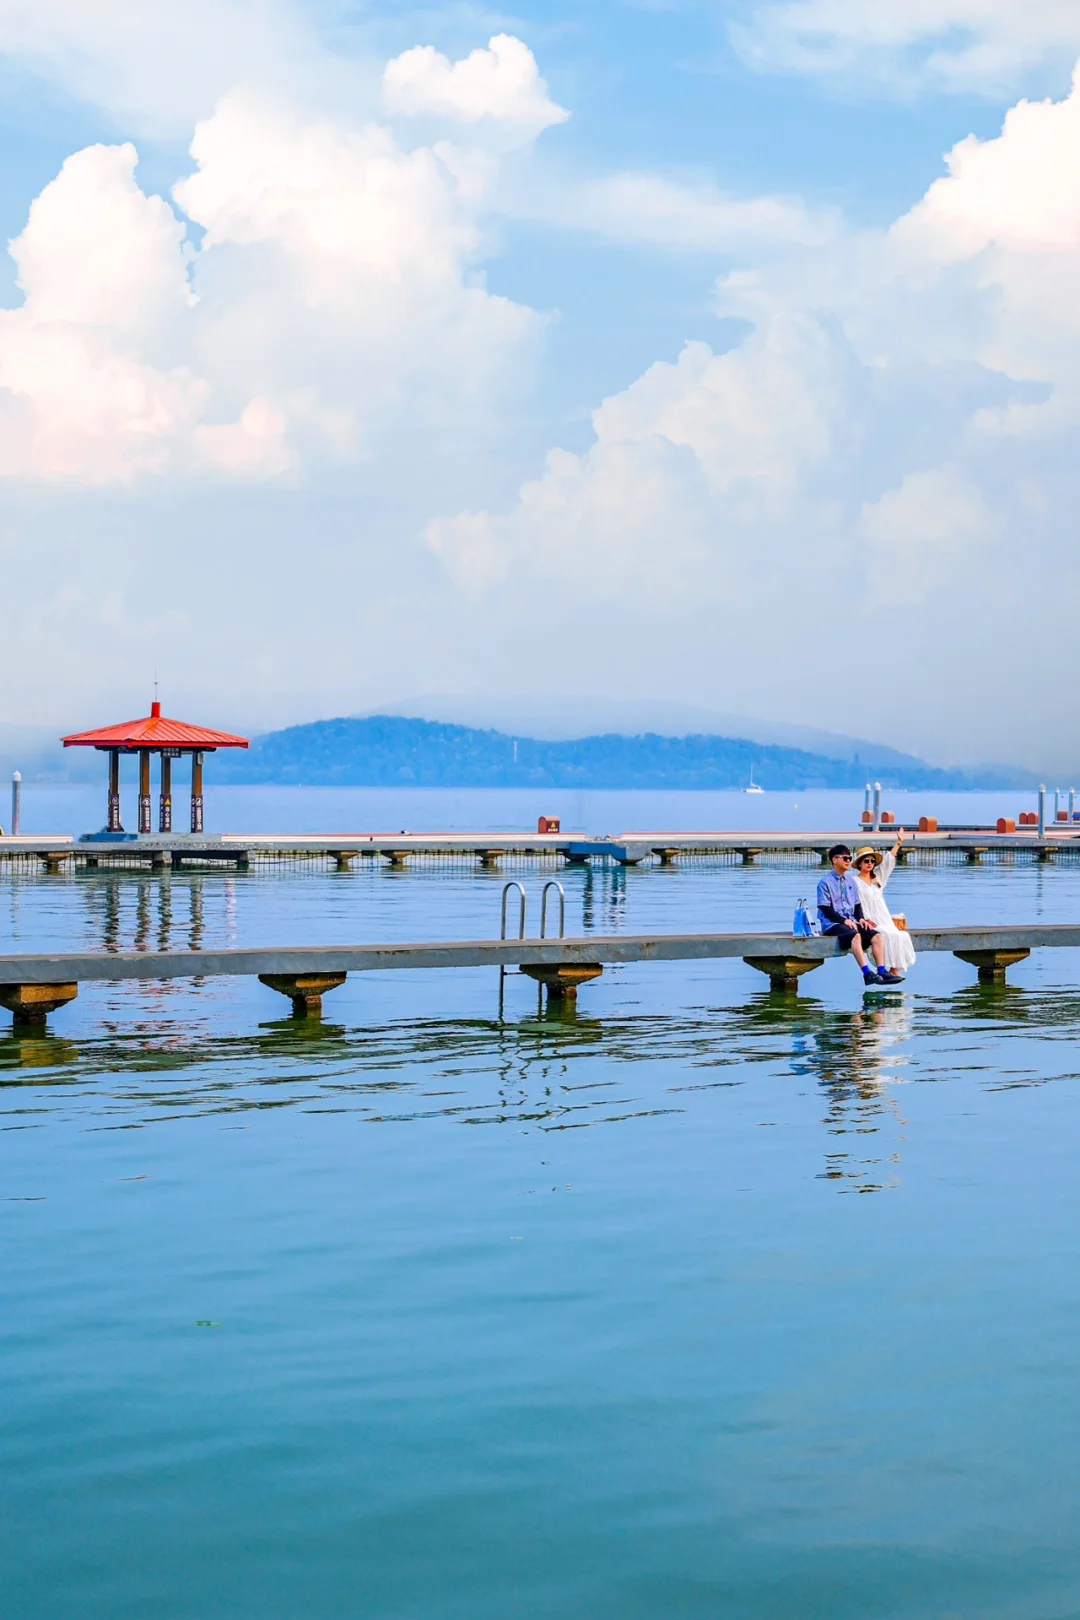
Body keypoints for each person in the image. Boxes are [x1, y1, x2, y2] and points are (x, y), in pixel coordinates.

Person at [817, 844, 903, 986]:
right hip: (832, 924)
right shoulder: (824, 883)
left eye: (850, 858)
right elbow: (825, 909)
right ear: (834, 860)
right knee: (855, 935)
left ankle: (882, 971)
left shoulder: (851, 881)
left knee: (876, 936)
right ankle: (867, 973)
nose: (848, 861)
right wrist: (844, 921)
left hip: (851, 922)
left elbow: (857, 905)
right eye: (845, 858)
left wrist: (861, 919)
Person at [851, 830, 916, 978]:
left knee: (900, 935)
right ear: (860, 863)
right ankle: (885, 968)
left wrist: (899, 843)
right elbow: (854, 904)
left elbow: (888, 861)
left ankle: (895, 968)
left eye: (872, 861)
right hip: (869, 918)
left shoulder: (878, 878)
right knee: (885, 934)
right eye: (866, 861)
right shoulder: (854, 882)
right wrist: (862, 918)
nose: (869, 864)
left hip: (883, 916)